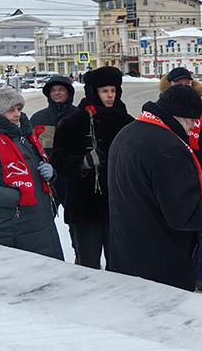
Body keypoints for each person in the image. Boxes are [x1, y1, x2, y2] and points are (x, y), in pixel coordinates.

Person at [108, 85, 202, 291]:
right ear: (184, 117)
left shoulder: (127, 133)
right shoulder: (168, 149)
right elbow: (185, 215)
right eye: (192, 124)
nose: (191, 130)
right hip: (160, 263)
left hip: (126, 252)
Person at [52, 66, 133, 269]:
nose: (110, 95)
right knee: (89, 265)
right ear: (94, 92)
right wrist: (84, 162)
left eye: (113, 91)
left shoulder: (126, 121)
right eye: (105, 91)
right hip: (85, 206)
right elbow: (59, 160)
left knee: (120, 265)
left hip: (117, 204)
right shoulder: (72, 123)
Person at [160, 67, 202, 295]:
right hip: (173, 178)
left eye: (187, 83)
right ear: (169, 86)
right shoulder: (162, 109)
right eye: (178, 83)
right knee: (174, 231)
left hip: (201, 178)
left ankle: (199, 276)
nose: (184, 87)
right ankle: (175, 275)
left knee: (200, 231)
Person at [0, 86, 63, 259]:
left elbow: (32, 173)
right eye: (10, 110)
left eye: (19, 108)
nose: (17, 114)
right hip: (12, 227)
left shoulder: (25, 137)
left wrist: (50, 174)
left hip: (39, 220)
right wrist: (18, 197)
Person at [30, 75, 79, 256]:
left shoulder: (78, 115)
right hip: (47, 180)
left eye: (62, 90)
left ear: (69, 93)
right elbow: (30, 147)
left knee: (75, 221)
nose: (57, 93)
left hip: (73, 179)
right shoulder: (38, 118)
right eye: (53, 90)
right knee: (44, 220)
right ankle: (47, 256)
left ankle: (80, 255)